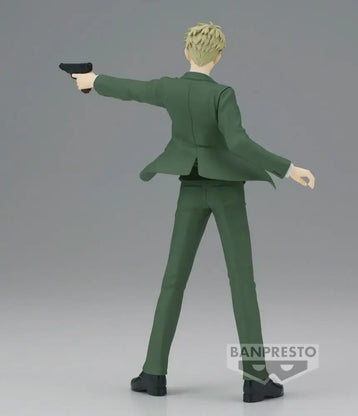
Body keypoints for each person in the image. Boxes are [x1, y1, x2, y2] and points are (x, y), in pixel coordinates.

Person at [71, 21, 315, 402]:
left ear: (186, 52)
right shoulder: (223, 94)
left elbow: (132, 89)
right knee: (242, 282)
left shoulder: (171, 88)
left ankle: (153, 373)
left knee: (173, 280)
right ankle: (255, 378)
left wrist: (91, 80)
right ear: (218, 56)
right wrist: (288, 168)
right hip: (226, 192)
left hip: (190, 189)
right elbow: (238, 142)